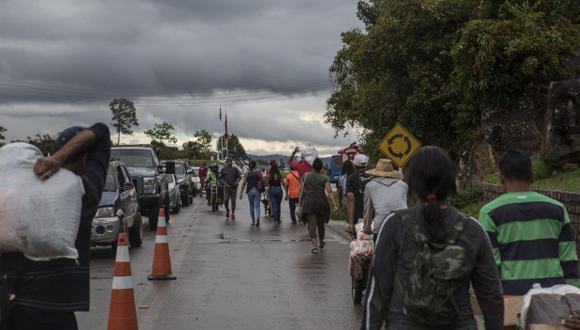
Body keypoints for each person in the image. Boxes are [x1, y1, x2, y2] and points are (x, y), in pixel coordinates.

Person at [362, 146, 503, 330]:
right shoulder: (472, 229)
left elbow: (377, 294)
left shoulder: (395, 225)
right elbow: (491, 296)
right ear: (451, 184)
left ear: (412, 185)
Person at [0, 123, 111, 330]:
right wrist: (57, 160)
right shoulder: (83, 193)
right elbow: (102, 132)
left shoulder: (16, 192)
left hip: (6, 300)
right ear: (85, 159)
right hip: (50, 306)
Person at [479, 150, 580, 295]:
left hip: (511, 295)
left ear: (501, 177)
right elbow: (569, 259)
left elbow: (492, 265)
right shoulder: (557, 209)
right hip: (553, 295)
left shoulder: (489, 212)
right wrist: (574, 296)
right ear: (532, 176)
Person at [299, 158, 338, 254]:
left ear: (312, 166)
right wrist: (334, 204)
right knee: (321, 224)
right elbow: (329, 191)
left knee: (311, 224)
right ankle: (321, 241)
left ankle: (314, 245)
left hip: (309, 201)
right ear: (321, 167)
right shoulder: (324, 177)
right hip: (321, 202)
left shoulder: (305, 176)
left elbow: (301, 190)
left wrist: (300, 202)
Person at [362, 159, 408, 240]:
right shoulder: (403, 185)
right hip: (402, 223)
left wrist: (367, 228)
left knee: (380, 252)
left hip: (381, 225)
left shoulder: (370, 186)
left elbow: (368, 210)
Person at [346, 154, 370, 235]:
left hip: (358, 215)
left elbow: (350, 199)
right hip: (373, 216)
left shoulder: (351, 179)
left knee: (358, 242)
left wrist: (350, 223)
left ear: (354, 165)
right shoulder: (374, 177)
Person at [239, 160, 266, 226]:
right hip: (257, 190)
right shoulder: (258, 172)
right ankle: (258, 218)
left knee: (251, 206)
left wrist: (241, 192)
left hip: (249, 191)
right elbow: (263, 180)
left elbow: (244, 183)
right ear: (255, 165)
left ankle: (253, 221)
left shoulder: (247, 173)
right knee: (257, 206)